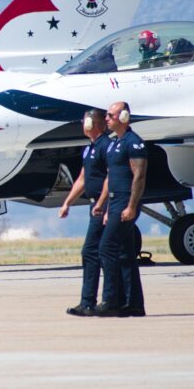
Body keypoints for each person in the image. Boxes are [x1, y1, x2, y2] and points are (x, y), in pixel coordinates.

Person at [93, 101, 146, 317]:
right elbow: (111, 176)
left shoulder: (134, 143)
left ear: (123, 117)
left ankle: (111, 300)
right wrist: (105, 206)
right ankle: (132, 304)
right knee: (125, 254)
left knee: (106, 248)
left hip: (125, 201)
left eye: (110, 115)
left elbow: (139, 176)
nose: (106, 118)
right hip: (115, 203)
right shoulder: (115, 143)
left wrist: (131, 206)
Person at [58, 109, 111, 316]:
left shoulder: (106, 146)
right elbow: (82, 178)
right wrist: (67, 203)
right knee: (95, 252)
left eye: (84, 121)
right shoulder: (90, 148)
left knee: (92, 251)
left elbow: (110, 176)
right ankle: (90, 301)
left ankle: (93, 302)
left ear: (90, 123)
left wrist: (102, 202)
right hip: (94, 205)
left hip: (103, 205)